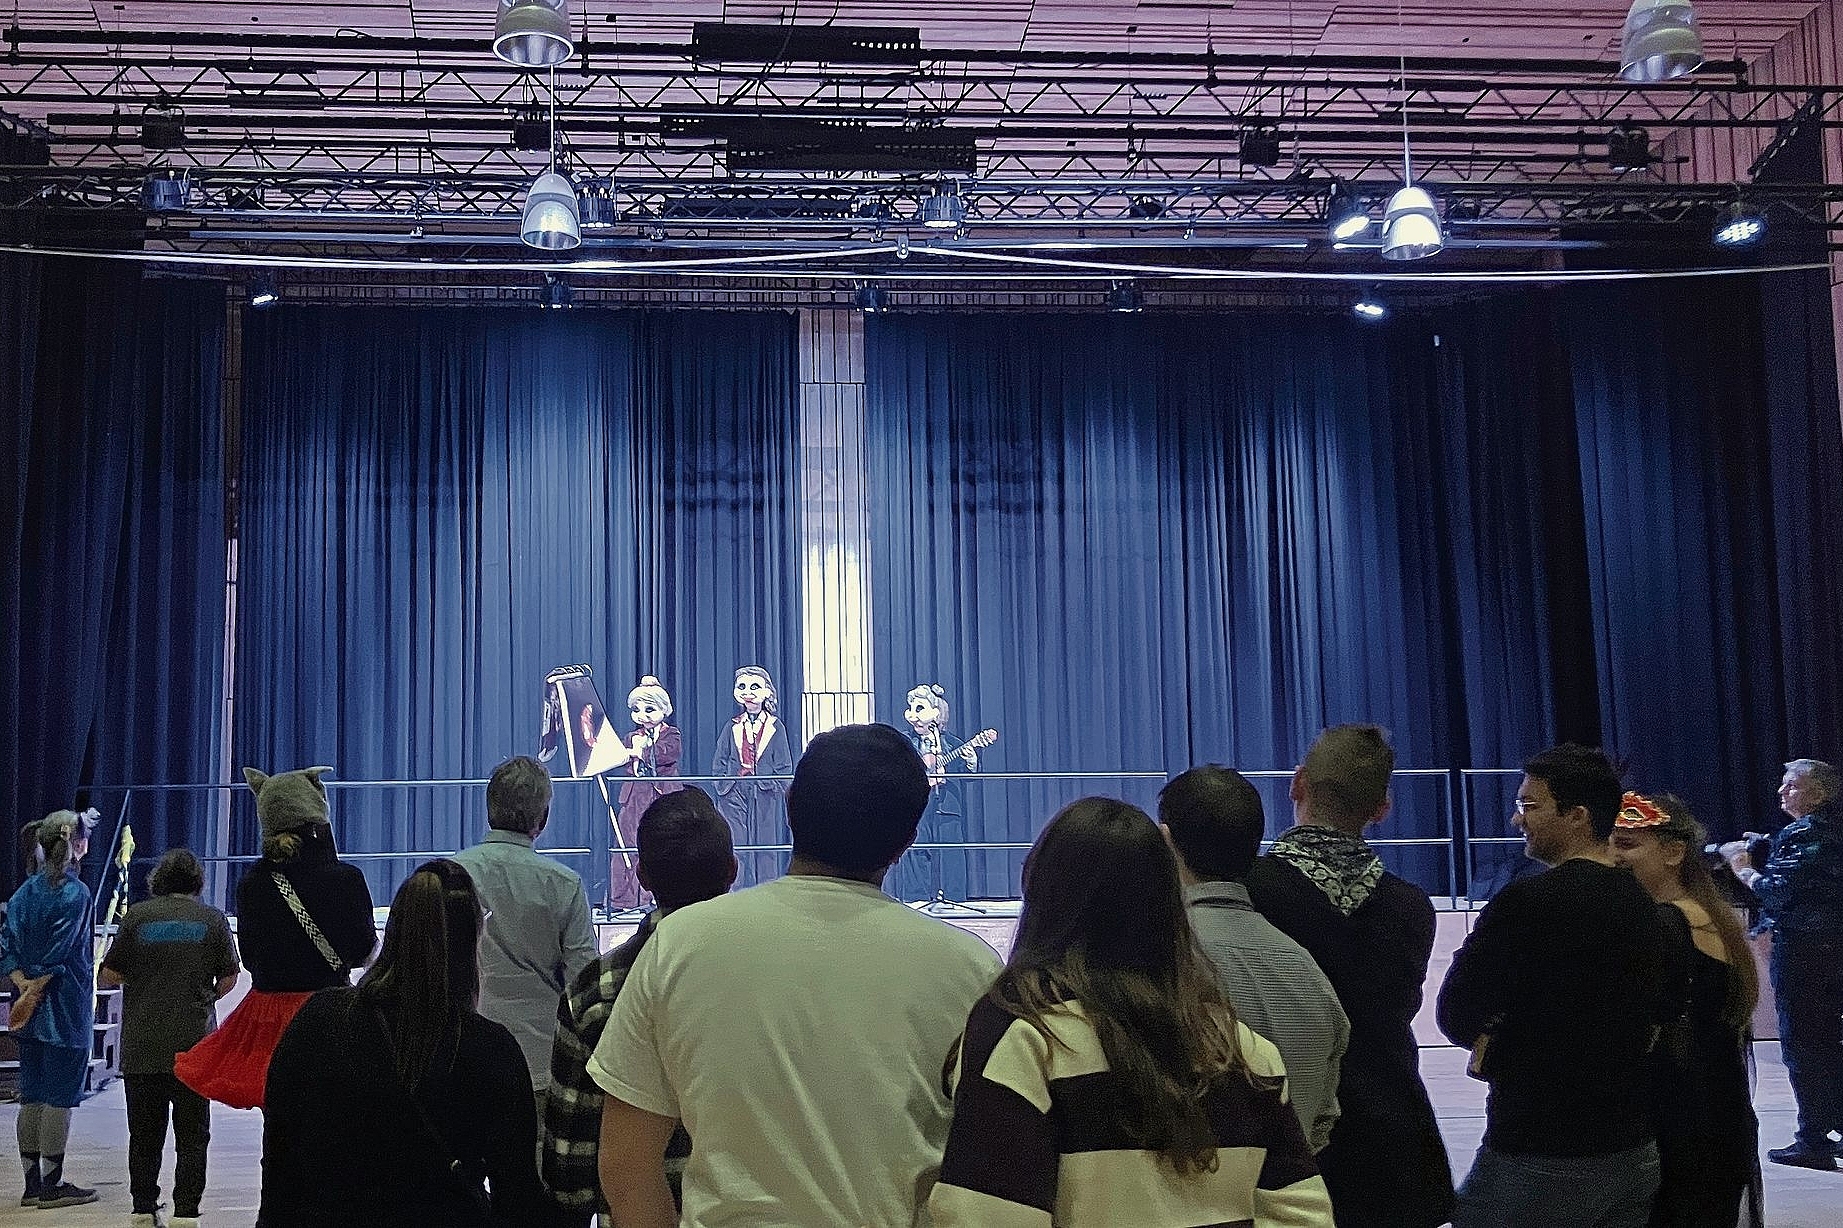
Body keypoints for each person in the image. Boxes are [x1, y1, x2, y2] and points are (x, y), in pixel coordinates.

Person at [590, 723, 1001, 1228]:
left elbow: (625, 1165)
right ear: (907, 841)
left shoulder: (679, 944)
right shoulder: (970, 970)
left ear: (788, 807)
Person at [930, 797, 1333, 1227]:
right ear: (1169, 899)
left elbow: (985, 1217)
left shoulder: (1025, 1039)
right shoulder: (1243, 1052)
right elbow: (1303, 1215)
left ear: (1040, 891)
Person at [1437, 744, 1676, 1228]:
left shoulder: (1527, 903)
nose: (1517, 819)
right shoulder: (1647, 905)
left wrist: (1497, 1039)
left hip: (1542, 1148)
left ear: (1577, 816)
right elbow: (1664, 1009)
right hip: (1633, 1147)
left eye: (1530, 806)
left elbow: (1457, 1009)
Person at [258, 859, 550, 1228]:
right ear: (473, 941)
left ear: (393, 927)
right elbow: (518, 1199)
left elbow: (280, 1159)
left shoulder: (319, 1020)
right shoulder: (491, 1050)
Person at [1243, 724, 1455, 1228]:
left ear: (1297, 784)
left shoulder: (1248, 892)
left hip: (1284, 1134)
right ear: (1382, 807)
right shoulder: (1411, 906)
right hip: (1394, 1141)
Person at [543, 787, 736, 1226]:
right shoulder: (776, 973)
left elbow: (568, 1170)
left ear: (642, 876)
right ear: (733, 869)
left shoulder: (593, 992)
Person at [1159, 765, 1350, 1152]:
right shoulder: (1310, 974)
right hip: (1290, 1200)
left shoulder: (1155, 963)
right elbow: (1322, 1122)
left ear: (1164, 841)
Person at [175, 766, 375, 1111]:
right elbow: (363, 952)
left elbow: (251, 959)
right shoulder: (346, 880)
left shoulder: (252, 884)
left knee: (278, 1120)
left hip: (269, 1018)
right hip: (331, 1014)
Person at [1610, 793, 1763, 1228]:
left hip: (1679, 1123)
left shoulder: (1665, 924)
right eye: (1611, 844)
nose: (1613, 856)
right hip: (1714, 1114)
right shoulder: (1707, 915)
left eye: (1627, 845)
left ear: (1674, 852)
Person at [100, 848, 242, 1228]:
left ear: (159, 880)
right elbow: (230, 977)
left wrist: (144, 982)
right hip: (194, 1046)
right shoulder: (212, 921)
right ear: (198, 881)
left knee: (144, 1134)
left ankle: (144, 1209)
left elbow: (108, 974)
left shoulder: (137, 918)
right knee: (193, 1135)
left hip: (143, 1045)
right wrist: (207, 997)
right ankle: (186, 1213)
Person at [451, 754, 599, 1095]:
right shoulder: (563, 884)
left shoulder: (449, 874)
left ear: (489, 810)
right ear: (542, 818)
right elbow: (584, 979)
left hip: (460, 1056)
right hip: (538, 1060)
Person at [1722, 757, 1843, 1169]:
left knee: (1804, 1041)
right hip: (1826, 947)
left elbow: (1778, 891)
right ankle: (1832, 1124)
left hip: (1808, 950)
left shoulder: (1812, 832)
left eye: (1792, 786)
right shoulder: (1821, 829)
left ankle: (1813, 1138)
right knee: (1826, 1038)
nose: (1781, 792)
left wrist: (1742, 867)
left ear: (1820, 793)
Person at [2, 812, 98, 1209]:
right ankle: (52, 1184)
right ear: (76, 844)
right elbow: (60, 951)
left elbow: (7, 944)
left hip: (28, 1006)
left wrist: (22, 986)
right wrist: (37, 988)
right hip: (62, 1005)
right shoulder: (76, 894)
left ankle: (30, 1184)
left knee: (33, 1094)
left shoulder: (24, 893)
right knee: (59, 1096)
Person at [893, 683, 988, 903]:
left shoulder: (952, 743)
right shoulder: (905, 742)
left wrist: (971, 761)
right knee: (916, 848)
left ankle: (954, 897)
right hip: (917, 805)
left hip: (947, 804)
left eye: (920, 710)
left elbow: (970, 775)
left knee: (952, 851)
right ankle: (915, 898)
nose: (915, 718)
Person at [709, 665, 797, 887]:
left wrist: (775, 788)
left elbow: (784, 765)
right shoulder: (732, 726)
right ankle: (737, 891)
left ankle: (766, 889)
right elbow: (720, 759)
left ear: (767, 691)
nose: (748, 692)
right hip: (734, 790)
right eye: (742, 687)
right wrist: (725, 785)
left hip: (764, 790)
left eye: (754, 687)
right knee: (736, 843)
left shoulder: (776, 727)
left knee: (764, 843)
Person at [608, 675, 686, 911]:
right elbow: (620, 758)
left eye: (649, 709)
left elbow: (667, 754)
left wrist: (644, 752)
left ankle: (663, 895)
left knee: (664, 845)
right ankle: (625, 899)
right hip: (634, 797)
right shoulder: (631, 737)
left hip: (661, 797)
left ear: (663, 709)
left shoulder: (671, 734)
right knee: (628, 844)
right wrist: (627, 755)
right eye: (636, 709)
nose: (642, 715)